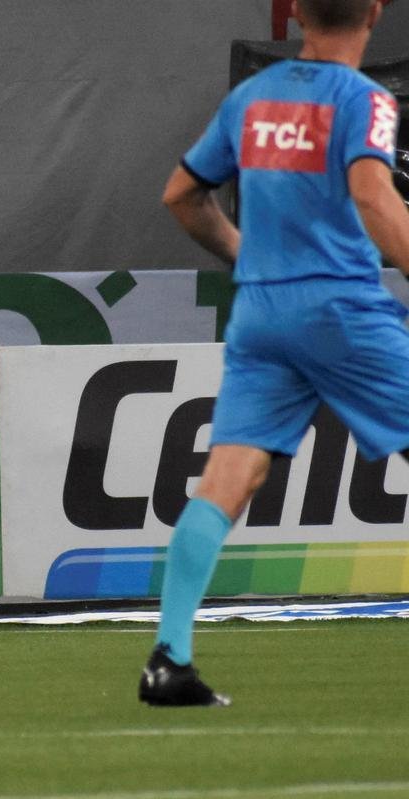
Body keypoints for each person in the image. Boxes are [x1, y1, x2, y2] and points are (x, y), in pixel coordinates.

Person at [140, 0, 409, 706]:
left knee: (227, 481)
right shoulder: (365, 98)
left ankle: (169, 657)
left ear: (298, 14)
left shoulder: (252, 98)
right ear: (375, 12)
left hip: (261, 313)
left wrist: (245, 253)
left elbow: (181, 195)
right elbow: (372, 193)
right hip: (340, 307)